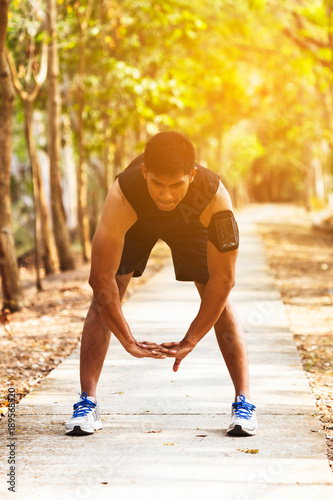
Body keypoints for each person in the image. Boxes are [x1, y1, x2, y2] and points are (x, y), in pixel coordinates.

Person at [65, 131, 257, 437]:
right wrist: (128, 341)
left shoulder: (214, 196)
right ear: (144, 173)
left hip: (192, 223)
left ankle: (243, 402)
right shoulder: (123, 194)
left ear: (192, 176)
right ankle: (87, 402)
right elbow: (99, 279)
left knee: (217, 296)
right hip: (137, 222)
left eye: (176, 185)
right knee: (108, 289)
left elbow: (225, 279)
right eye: (157, 184)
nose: (166, 195)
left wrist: (192, 338)